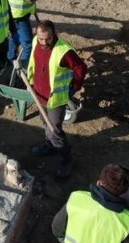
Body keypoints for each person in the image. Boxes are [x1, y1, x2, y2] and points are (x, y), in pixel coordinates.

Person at [27, 20, 87, 178]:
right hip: (39, 94)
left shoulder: (64, 51)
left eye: (48, 38)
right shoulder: (36, 42)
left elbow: (80, 67)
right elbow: (34, 62)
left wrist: (74, 87)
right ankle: (49, 146)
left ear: (54, 34)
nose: (44, 42)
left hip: (55, 99)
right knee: (45, 122)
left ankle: (67, 159)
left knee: (55, 131)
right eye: (41, 38)